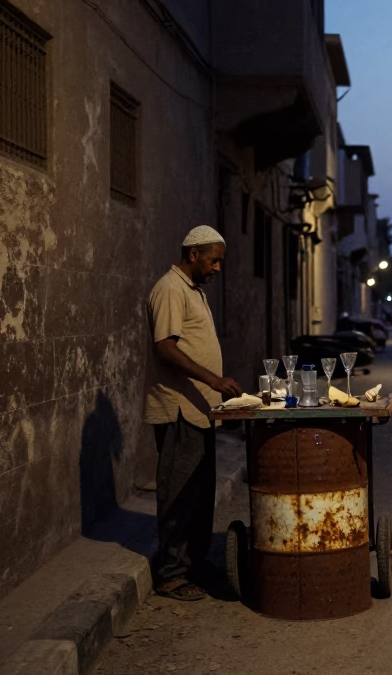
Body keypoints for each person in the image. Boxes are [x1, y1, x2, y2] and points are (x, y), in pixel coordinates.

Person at [144, 225, 243, 600]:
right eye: (213, 260)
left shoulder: (193, 292)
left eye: (220, 261)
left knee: (200, 493)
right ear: (193, 255)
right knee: (179, 494)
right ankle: (171, 574)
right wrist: (213, 380)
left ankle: (194, 565)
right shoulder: (170, 289)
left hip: (200, 410)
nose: (218, 267)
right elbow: (165, 348)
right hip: (179, 410)